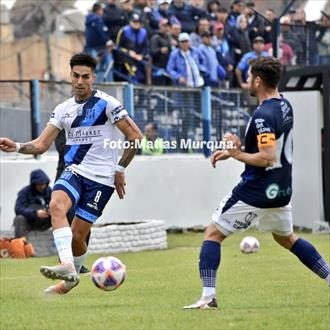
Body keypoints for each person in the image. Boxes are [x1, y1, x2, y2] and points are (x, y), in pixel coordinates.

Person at [183, 56, 330, 310]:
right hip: (281, 190)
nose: (247, 81)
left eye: (250, 76)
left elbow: (267, 157)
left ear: (258, 80)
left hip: (257, 190)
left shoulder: (263, 114)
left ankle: (208, 297)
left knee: (212, 234)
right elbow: (269, 144)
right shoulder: (284, 104)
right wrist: (236, 149)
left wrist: (236, 154)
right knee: (287, 239)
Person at [0, 53, 143, 294]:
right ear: (70, 76)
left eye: (85, 77)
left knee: (78, 236)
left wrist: (119, 169)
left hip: (102, 180)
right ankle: (66, 265)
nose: (80, 81)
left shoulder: (107, 104)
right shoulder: (63, 109)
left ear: (93, 77)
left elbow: (135, 136)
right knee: (56, 205)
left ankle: (69, 281)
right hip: (74, 171)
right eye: (76, 76)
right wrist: (15, 146)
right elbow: (41, 145)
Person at [13, 169, 52, 238]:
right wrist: (35, 213)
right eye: (39, 185)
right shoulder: (24, 192)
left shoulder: (49, 191)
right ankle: (19, 244)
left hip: (46, 221)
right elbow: (18, 209)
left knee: (69, 214)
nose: (42, 187)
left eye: (44, 184)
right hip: (30, 221)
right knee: (19, 219)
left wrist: (51, 211)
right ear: (34, 184)